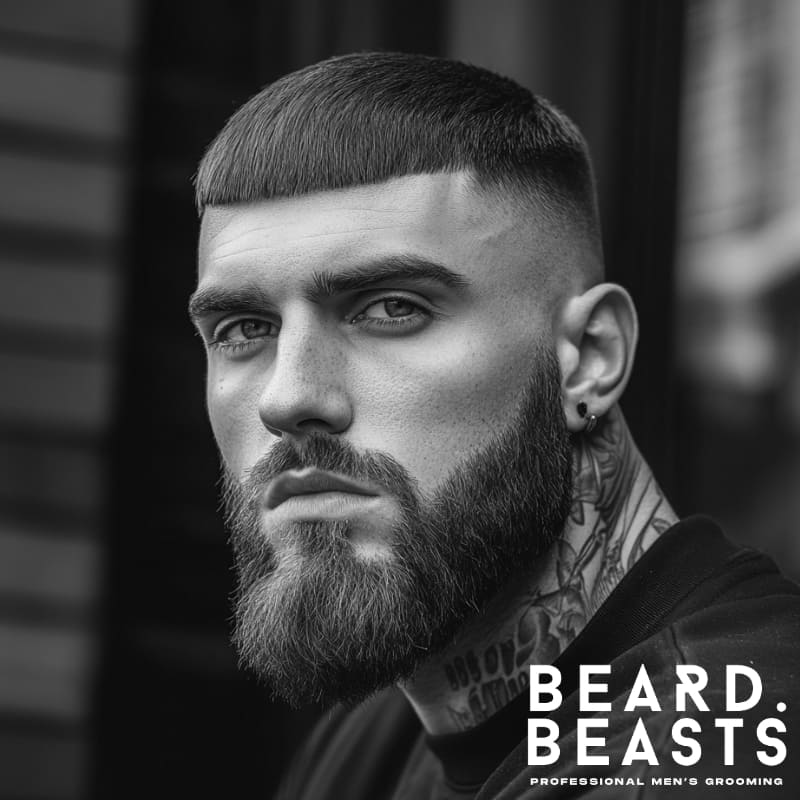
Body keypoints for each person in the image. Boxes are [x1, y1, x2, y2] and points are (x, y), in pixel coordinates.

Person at [189, 52, 800, 799]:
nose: (287, 399)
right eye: (244, 328)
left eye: (391, 309)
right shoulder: (376, 736)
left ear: (590, 359)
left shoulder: (726, 742)